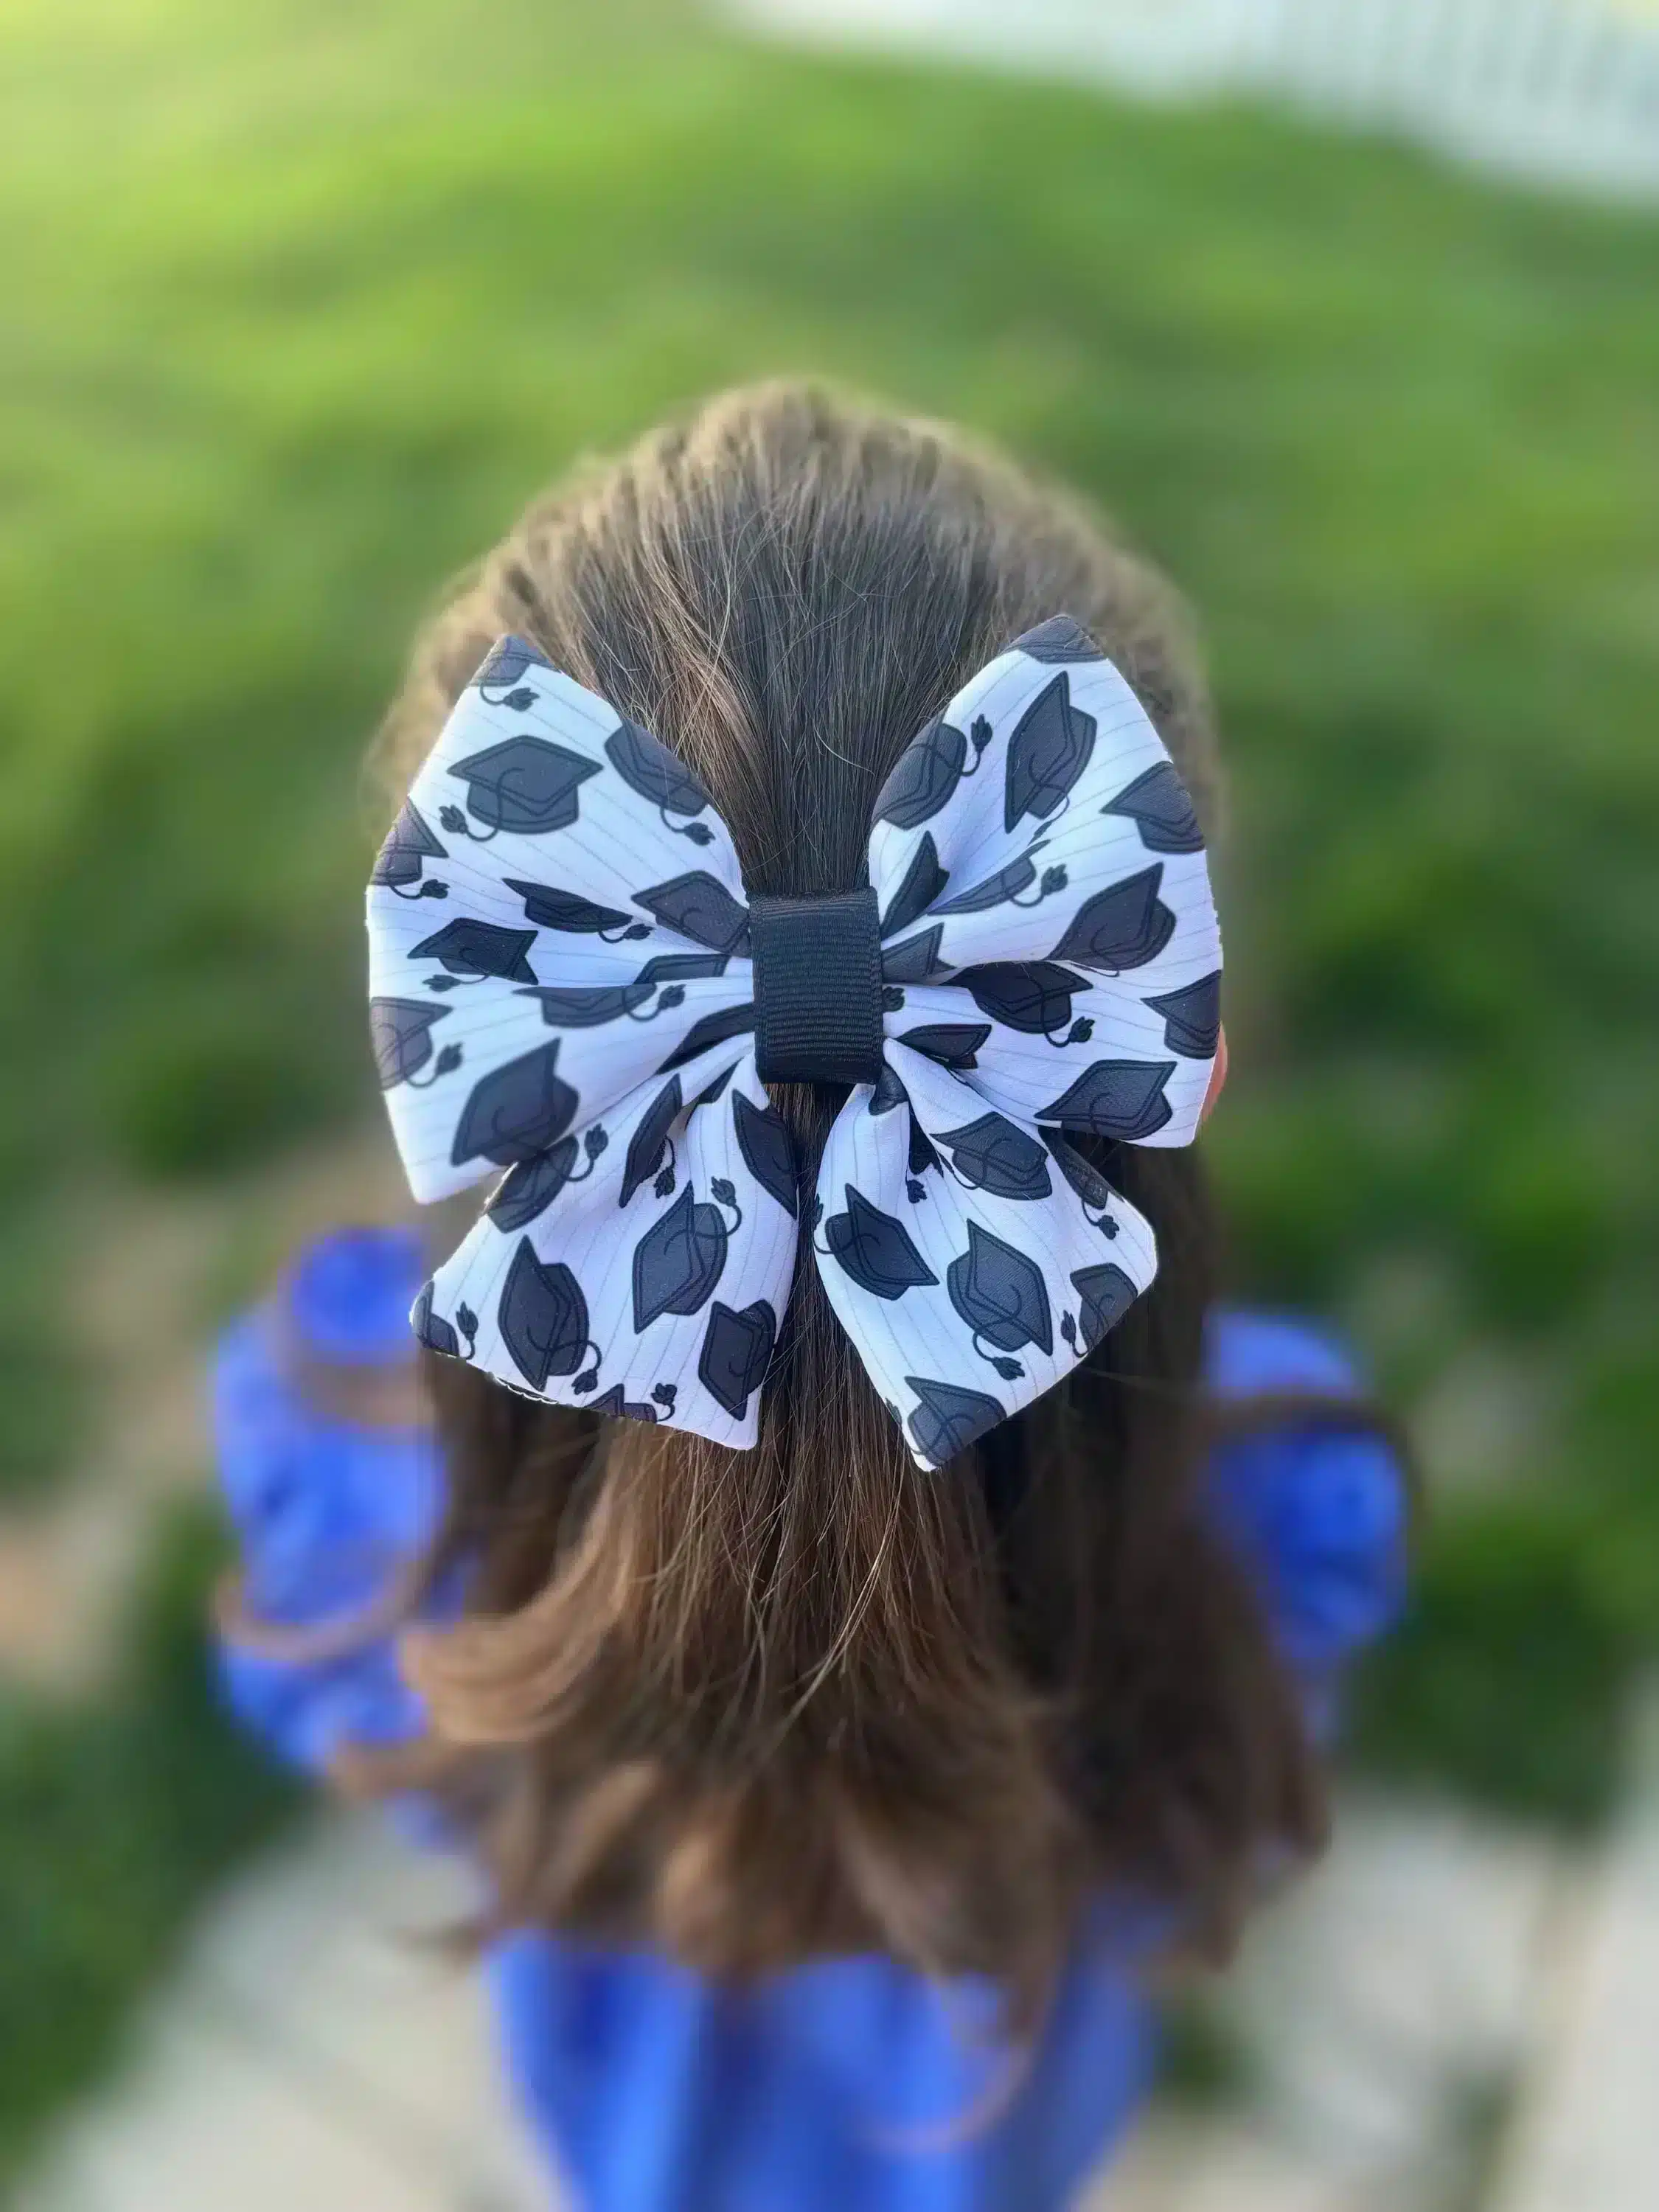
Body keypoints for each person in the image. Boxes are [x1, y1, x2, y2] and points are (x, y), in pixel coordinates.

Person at [215, 383, 1410, 2211]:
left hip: (627, 2135)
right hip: (1007, 2113)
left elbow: (318, 1705)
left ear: (487, 1058)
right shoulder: (1276, 1510)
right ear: (1185, 1060)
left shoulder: (330, 1445)